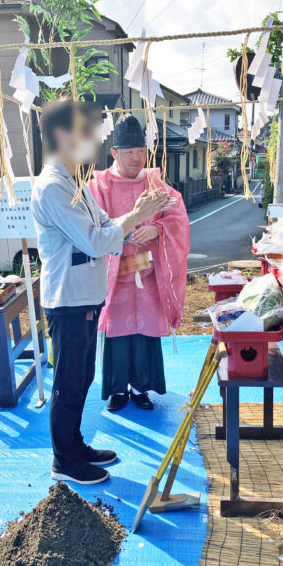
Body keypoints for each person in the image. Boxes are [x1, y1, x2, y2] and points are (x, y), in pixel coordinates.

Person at [31, 100, 173, 485]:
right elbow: (95, 241)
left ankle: (75, 445)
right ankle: (64, 459)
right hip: (68, 299)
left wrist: (133, 218)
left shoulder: (73, 181)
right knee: (68, 382)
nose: (92, 142)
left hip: (85, 297)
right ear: (62, 136)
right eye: (86, 134)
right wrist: (137, 215)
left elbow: (106, 224)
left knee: (82, 378)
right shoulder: (52, 186)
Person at [88, 114, 190, 412]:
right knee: (118, 335)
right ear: (114, 152)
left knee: (145, 334)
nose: (137, 158)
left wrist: (158, 229)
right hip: (116, 276)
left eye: (141, 151)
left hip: (148, 275)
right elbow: (93, 229)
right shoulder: (100, 187)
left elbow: (179, 219)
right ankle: (118, 390)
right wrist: (124, 233)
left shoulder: (155, 183)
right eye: (130, 152)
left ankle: (141, 388)